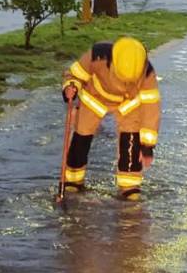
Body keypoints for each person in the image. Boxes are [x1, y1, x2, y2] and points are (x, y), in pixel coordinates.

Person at [62, 37, 161, 200]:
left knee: (130, 143)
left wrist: (147, 146)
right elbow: (74, 75)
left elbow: (151, 108)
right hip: (94, 98)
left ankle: (129, 187)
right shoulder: (96, 55)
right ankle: (73, 181)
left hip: (128, 105)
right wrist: (71, 86)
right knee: (81, 138)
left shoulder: (147, 71)